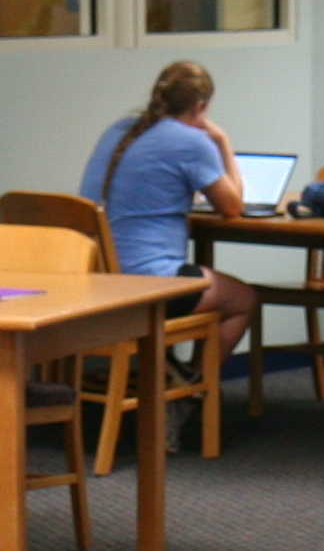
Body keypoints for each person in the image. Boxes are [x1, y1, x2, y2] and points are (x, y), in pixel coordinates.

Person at [78, 60, 256, 380]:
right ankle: (191, 389)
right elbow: (233, 206)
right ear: (201, 106)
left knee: (206, 280)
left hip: (97, 279)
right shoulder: (192, 141)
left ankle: (170, 378)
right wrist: (222, 141)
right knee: (244, 299)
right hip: (150, 285)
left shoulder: (120, 131)